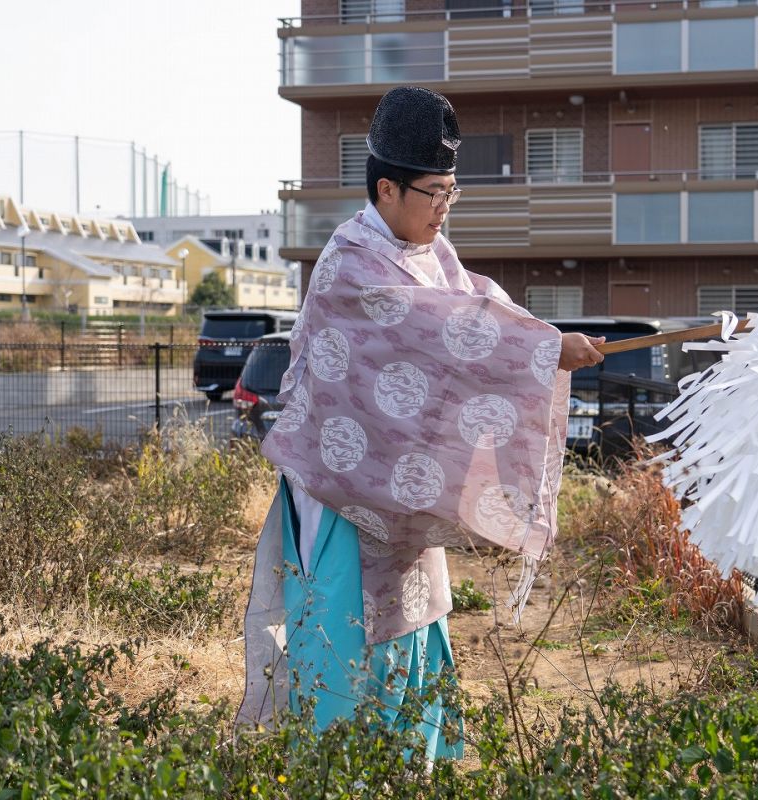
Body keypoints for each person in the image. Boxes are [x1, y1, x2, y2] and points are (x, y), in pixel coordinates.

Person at [237, 86, 604, 758]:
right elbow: (439, 328)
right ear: (386, 190)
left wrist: (547, 341)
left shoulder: (433, 256)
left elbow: (477, 313)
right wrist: (545, 349)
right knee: (341, 643)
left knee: (409, 627)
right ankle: (336, 769)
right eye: (433, 193)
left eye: (451, 193)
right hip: (341, 495)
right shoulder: (352, 261)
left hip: (398, 497)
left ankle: (406, 769)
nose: (443, 208)